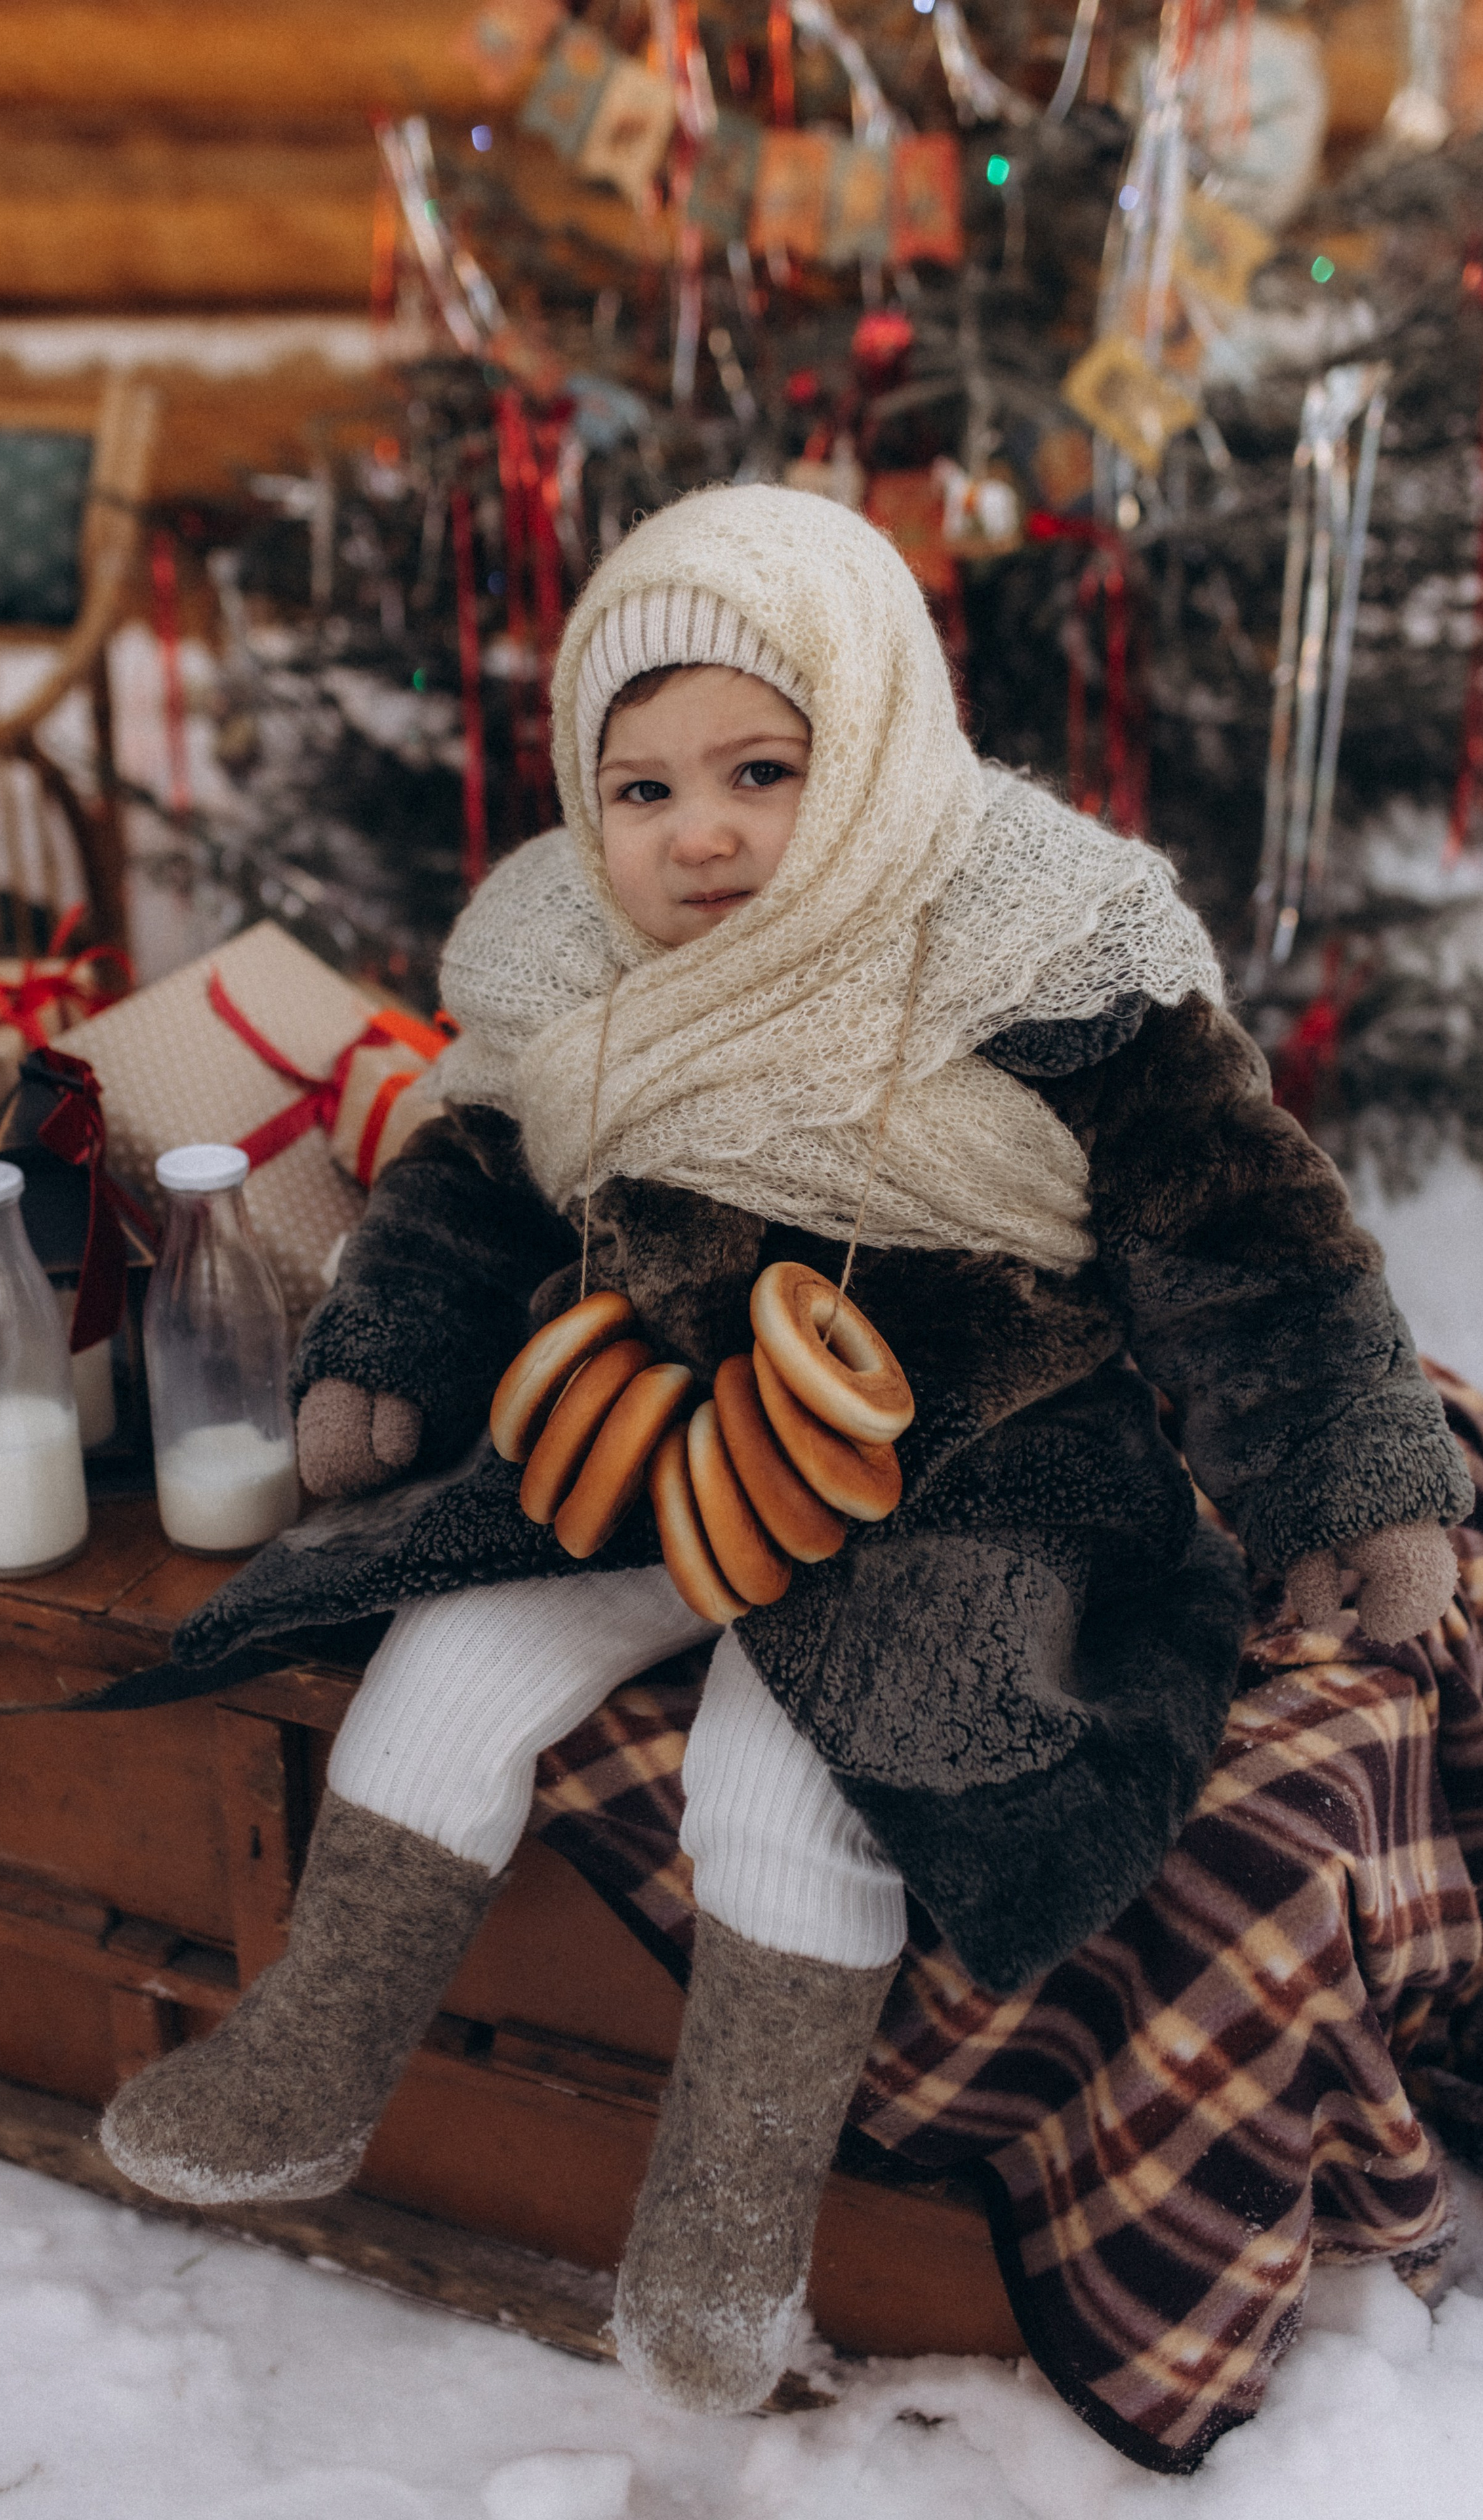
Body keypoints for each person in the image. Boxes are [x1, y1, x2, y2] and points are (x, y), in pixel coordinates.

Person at [102, 484, 1470, 2418]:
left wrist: (1347, 1465)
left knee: (796, 1755)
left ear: (879, 732)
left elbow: (1243, 1227)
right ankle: (312, 2056)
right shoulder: (560, 948)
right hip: (659, 1419)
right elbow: (470, 1182)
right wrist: (389, 1350)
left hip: (978, 1458)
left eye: (762, 767)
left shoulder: (1041, 937)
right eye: (641, 789)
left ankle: (729, 2233)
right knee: (455, 1654)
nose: (703, 833)